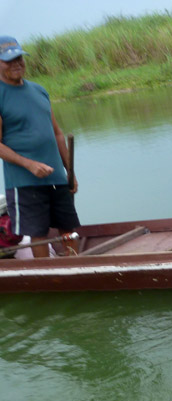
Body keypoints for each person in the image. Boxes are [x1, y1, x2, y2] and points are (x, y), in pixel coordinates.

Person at [0, 36, 80, 257]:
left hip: (56, 177)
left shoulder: (39, 90)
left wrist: (70, 172)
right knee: (39, 232)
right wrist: (30, 165)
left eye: (19, 58)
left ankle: (76, 268)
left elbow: (57, 133)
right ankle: (47, 275)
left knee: (68, 228)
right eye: (9, 60)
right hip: (25, 180)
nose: (16, 64)